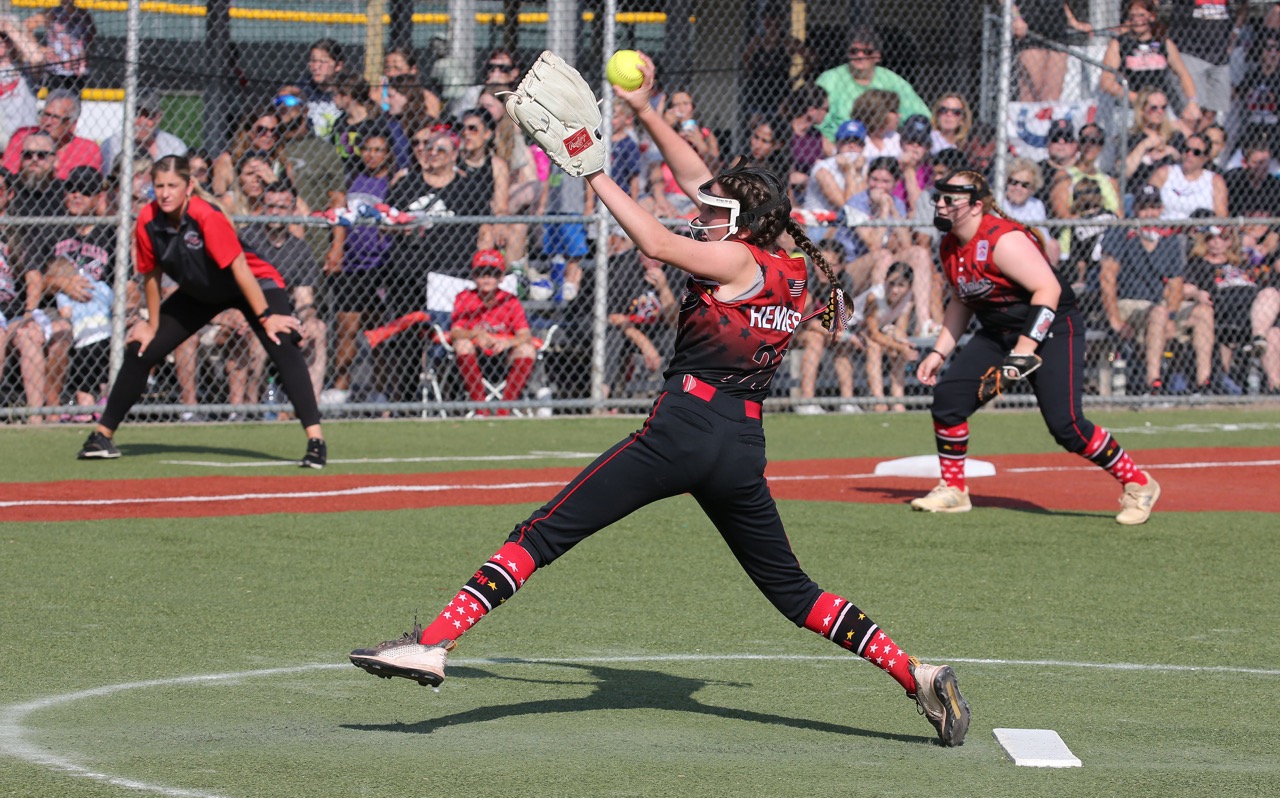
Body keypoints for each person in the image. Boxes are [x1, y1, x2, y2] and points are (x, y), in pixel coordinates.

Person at [350, 50, 972, 748]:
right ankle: (914, 671)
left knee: (541, 534)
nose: (701, 213)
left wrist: (592, 172)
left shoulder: (734, 257)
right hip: (740, 444)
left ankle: (432, 642)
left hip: (682, 429)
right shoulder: (790, 263)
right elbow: (700, 181)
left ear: (741, 222)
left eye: (714, 213)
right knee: (795, 594)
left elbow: (650, 235)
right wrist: (646, 112)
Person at [913, 170, 1161, 525]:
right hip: (999, 329)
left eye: (951, 199)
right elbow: (962, 299)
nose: (940, 204)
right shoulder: (950, 244)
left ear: (977, 206)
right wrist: (939, 352)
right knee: (949, 400)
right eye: (939, 197)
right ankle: (953, 490)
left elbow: (1048, 290)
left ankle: (1139, 483)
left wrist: (1026, 349)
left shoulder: (1003, 240)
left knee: (1067, 426)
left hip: (1052, 326)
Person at [75, 155, 327, 467]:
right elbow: (150, 275)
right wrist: (151, 323)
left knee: (281, 342)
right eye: (159, 186)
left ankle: (315, 441)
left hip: (251, 284)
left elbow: (239, 268)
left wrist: (267, 316)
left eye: (173, 186)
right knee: (142, 348)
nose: (165, 193)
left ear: (189, 186)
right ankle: (102, 436)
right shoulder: (148, 221)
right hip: (201, 293)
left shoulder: (205, 215)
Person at [1097, 184, 1202, 395]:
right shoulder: (1121, 231)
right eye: (1144, 208)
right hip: (1127, 304)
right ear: (1135, 209)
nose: (1149, 213)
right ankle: (1153, 383)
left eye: (1154, 207)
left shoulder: (1168, 237)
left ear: (1161, 209)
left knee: (1203, 313)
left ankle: (1204, 384)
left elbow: (1175, 284)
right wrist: (1115, 320)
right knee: (1158, 312)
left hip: (1159, 308)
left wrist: (1172, 317)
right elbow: (1107, 278)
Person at [448, 249, 535, 416]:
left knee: (527, 350)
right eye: (481, 273)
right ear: (474, 276)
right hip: (476, 354)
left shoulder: (510, 300)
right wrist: (475, 335)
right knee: (462, 345)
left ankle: (505, 408)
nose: (487, 278)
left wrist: (507, 342)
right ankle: (481, 408)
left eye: (493, 273)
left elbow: (525, 334)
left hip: (504, 354)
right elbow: (456, 332)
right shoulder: (464, 297)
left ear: (501, 277)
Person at [816, 27, 930, 141]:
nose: (860, 56)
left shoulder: (891, 80)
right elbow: (816, 125)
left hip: (884, 145)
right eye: (854, 51)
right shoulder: (830, 79)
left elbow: (921, 116)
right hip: (841, 144)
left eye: (867, 52)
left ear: (877, 56)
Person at [1100, 0, 1201, 124]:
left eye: (1141, 15)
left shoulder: (1163, 43)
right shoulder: (1119, 44)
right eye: (1132, 16)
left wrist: (1192, 101)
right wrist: (1139, 99)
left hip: (1160, 107)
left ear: (1152, 17)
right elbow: (1106, 82)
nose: (1137, 20)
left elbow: (1183, 74)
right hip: (1132, 108)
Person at [1, 88, 101, 179]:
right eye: (46, 115)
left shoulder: (87, 149)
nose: (48, 122)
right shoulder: (22, 136)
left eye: (56, 118)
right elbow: (9, 176)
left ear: (72, 124)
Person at [1012, 1, 1094, 101]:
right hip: (1030, 23)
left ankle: (1048, 115)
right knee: (1033, 89)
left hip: (1057, 25)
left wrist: (1073, 22)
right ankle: (1027, 116)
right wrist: (1016, 17)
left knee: (1053, 93)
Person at [99, 87, 187, 175]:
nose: (142, 122)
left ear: (159, 117)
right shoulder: (112, 144)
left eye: (149, 115)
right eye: (137, 114)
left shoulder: (174, 146)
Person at [1148, 131, 1229, 218]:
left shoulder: (1214, 181)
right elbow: (1147, 205)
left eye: (1196, 152)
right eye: (1186, 149)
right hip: (1164, 227)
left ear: (1205, 157)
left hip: (1198, 230)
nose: (1189, 154)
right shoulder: (1164, 173)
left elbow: (1221, 216)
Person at [23, 0, 95, 92]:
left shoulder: (83, 14)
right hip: (56, 71)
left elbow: (91, 35)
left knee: (74, 101)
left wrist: (84, 53)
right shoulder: (52, 13)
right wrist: (41, 49)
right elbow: (26, 26)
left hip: (77, 71)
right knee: (56, 99)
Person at [0, 16, 42, 150]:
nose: (1, 41)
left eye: (4, 37)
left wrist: (9, 29)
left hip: (25, 141)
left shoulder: (25, 70)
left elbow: (38, 58)